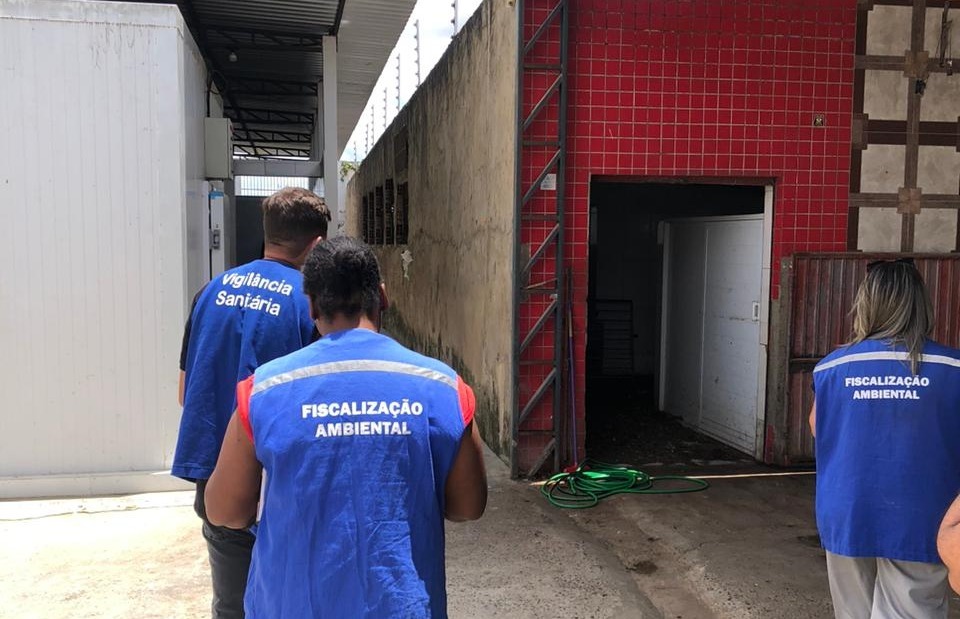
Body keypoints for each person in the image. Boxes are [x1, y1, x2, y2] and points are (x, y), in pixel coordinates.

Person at [204, 236, 488, 619]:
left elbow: (224, 511)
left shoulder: (263, 391)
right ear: (382, 296)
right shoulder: (445, 388)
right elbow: (468, 507)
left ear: (311, 306)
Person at [174, 187, 330, 618]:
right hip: (282, 482)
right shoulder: (310, 301)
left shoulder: (209, 293)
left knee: (232, 604)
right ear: (316, 244)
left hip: (217, 477)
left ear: (268, 232)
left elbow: (186, 392)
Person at [809, 258, 960, 619]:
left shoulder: (830, 367)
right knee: (910, 611)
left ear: (865, 305)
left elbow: (817, 427)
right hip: (923, 515)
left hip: (846, 508)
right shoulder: (953, 368)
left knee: (853, 611)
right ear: (920, 306)